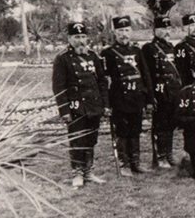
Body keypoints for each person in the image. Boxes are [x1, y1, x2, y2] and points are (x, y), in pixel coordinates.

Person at [52, 21, 110, 188]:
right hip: (75, 107)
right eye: (77, 37)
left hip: (93, 106)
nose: (81, 41)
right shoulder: (62, 58)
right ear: (69, 38)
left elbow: (102, 82)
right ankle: (77, 173)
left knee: (91, 140)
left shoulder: (93, 56)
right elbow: (59, 87)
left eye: (83, 36)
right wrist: (64, 110)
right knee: (77, 140)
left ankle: (89, 171)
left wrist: (105, 105)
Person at [101, 15, 154, 176]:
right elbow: (104, 79)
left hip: (136, 97)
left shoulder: (137, 51)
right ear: (115, 33)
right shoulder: (108, 53)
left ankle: (135, 163)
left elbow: (146, 76)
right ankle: (124, 164)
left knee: (135, 130)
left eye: (126, 30)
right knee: (122, 131)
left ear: (130, 31)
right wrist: (107, 103)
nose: (124, 34)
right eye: (120, 30)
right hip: (119, 99)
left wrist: (149, 99)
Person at [141, 15, 182, 169]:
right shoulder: (149, 48)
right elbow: (147, 74)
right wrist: (150, 96)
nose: (166, 31)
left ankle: (168, 153)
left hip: (172, 90)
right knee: (160, 125)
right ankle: (159, 156)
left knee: (170, 123)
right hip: (159, 90)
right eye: (162, 28)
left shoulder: (170, 47)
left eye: (168, 28)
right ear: (155, 30)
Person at [174, 13, 195, 86]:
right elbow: (181, 71)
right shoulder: (181, 46)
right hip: (189, 83)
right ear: (185, 28)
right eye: (192, 26)